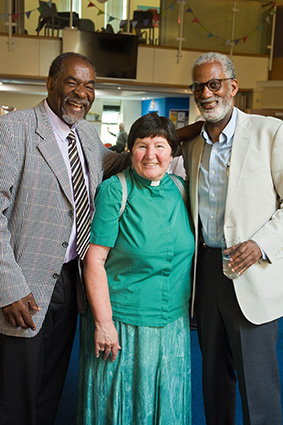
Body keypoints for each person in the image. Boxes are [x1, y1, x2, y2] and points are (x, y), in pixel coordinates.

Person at [0, 52, 130, 425]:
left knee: (50, 387)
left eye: (89, 85)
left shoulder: (86, 134)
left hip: (70, 280)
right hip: (24, 286)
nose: (82, 93)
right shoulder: (15, 128)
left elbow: (112, 163)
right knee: (16, 394)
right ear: (50, 83)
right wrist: (8, 287)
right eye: (73, 82)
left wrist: (169, 138)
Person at [179, 52, 283, 425]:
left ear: (233, 87)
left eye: (214, 84)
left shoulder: (270, 132)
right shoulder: (191, 145)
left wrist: (261, 244)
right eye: (198, 87)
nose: (206, 93)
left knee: (258, 384)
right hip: (206, 272)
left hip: (252, 271)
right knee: (213, 379)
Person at [77, 113, 195, 425]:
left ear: (172, 151)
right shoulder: (115, 190)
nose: (151, 154)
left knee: (165, 402)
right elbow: (94, 261)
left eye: (160, 145)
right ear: (129, 150)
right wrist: (103, 323)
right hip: (123, 323)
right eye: (142, 146)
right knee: (121, 407)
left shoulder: (182, 190)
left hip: (173, 322)